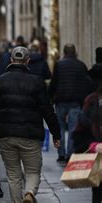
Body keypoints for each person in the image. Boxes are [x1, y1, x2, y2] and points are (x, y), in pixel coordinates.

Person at [0, 46, 61, 203]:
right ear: (27, 62)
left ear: (11, 60)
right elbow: (47, 110)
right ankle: (29, 193)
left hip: (6, 134)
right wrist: (56, 133)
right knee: (33, 171)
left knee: (13, 174)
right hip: (30, 135)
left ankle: (18, 200)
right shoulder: (37, 82)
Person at [49, 44, 91, 162]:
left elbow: (54, 82)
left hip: (61, 100)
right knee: (73, 128)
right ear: (75, 52)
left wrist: (50, 96)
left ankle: (61, 154)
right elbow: (85, 83)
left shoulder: (59, 65)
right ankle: (70, 154)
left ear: (64, 52)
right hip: (75, 101)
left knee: (60, 127)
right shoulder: (81, 65)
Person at [72, 63, 102, 202]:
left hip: (97, 154)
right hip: (98, 156)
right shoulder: (91, 100)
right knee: (97, 189)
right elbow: (80, 132)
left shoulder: (91, 100)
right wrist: (93, 145)